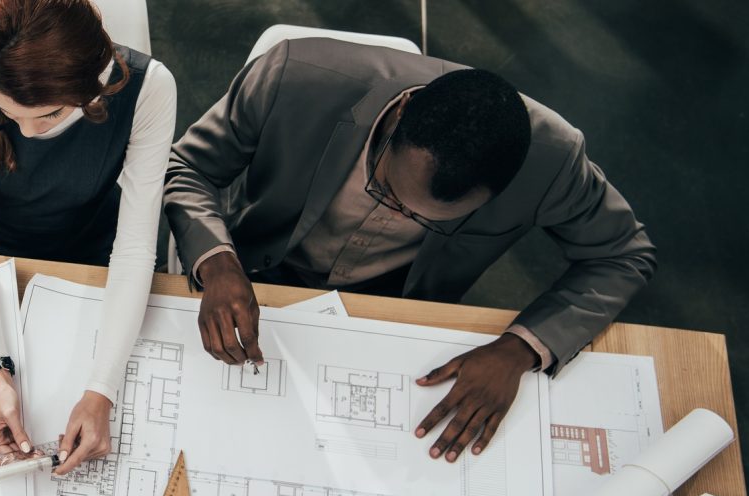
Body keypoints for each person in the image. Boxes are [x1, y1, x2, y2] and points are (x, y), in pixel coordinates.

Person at [165, 38, 656, 463]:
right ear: (400, 115)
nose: (398, 215)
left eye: (424, 219)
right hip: (256, 271)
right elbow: (188, 166)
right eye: (386, 188)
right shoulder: (291, 76)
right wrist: (218, 262)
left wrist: (519, 348)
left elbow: (623, 255)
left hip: (395, 309)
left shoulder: (552, 162)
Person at [0, 0, 177, 474]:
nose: (28, 132)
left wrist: (102, 387)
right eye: (11, 114)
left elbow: (135, 249)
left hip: (93, 256)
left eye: (47, 116)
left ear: (94, 84)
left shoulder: (153, 88)